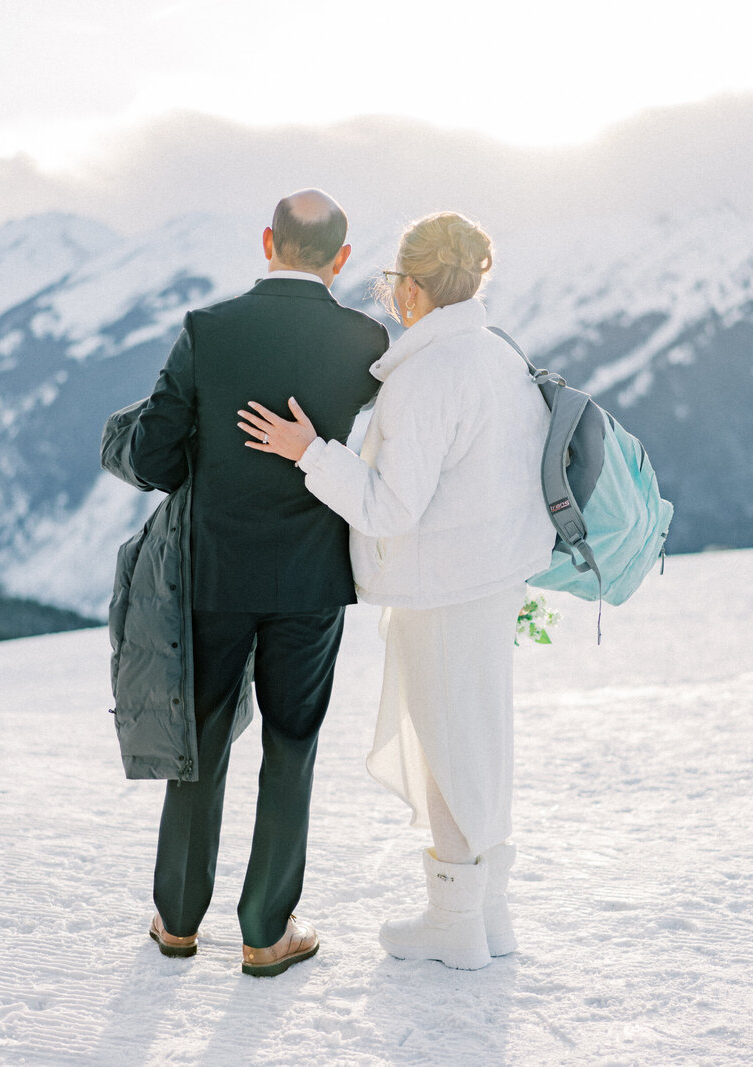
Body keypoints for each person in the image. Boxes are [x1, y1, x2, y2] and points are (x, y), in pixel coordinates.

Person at [238, 211, 556, 970]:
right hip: (486, 580)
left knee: (448, 744)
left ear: (413, 288)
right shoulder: (492, 354)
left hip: (441, 588)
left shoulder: (430, 374)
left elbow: (388, 506)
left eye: (392, 282)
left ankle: (455, 925)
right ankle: (487, 916)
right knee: (481, 740)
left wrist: (309, 451)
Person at [123, 189, 389, 976]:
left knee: (198, 744)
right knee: (291, 744)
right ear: (342, 258)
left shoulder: (209, 330)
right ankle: (266, 929)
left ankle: (176, 920)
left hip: (215, 574)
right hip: (311, 579)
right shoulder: (365, 339)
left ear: (267, 239)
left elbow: (152, 459)